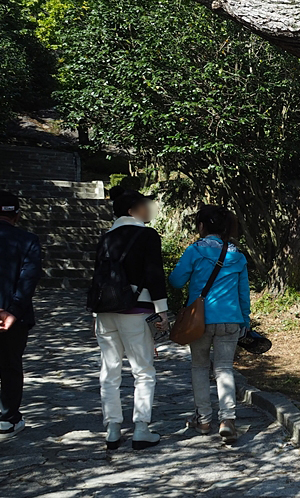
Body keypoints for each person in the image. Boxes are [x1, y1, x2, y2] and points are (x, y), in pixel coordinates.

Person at [90, 187, 169, 450]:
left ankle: (112, 429)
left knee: (109, 371)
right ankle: (141, 429)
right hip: (137, 309)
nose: (148, 209)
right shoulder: (147, 235)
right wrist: (162, 310)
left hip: (105, 312)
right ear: (132, 210)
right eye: (144, 205)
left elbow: (99, 278)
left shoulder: (106, 238)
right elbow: (155, 274)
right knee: (143, 371)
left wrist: (96, 313)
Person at [168, 206, 250, 444]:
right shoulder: (237, 255)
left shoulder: (195, 250)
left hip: (199, 320)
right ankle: (228, 420)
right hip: (230, 319)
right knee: (224, 368)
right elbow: (243, 293)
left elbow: (175, 281)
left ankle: (203, 420)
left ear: (202, 226)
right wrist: (245, 320)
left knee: (200, 367)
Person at [0, 191, 41, 439]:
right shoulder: (28, 240)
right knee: (11, 365)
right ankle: (7, 418)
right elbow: (28, 279)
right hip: (15, 317)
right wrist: (12, 311)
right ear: (16, 215)